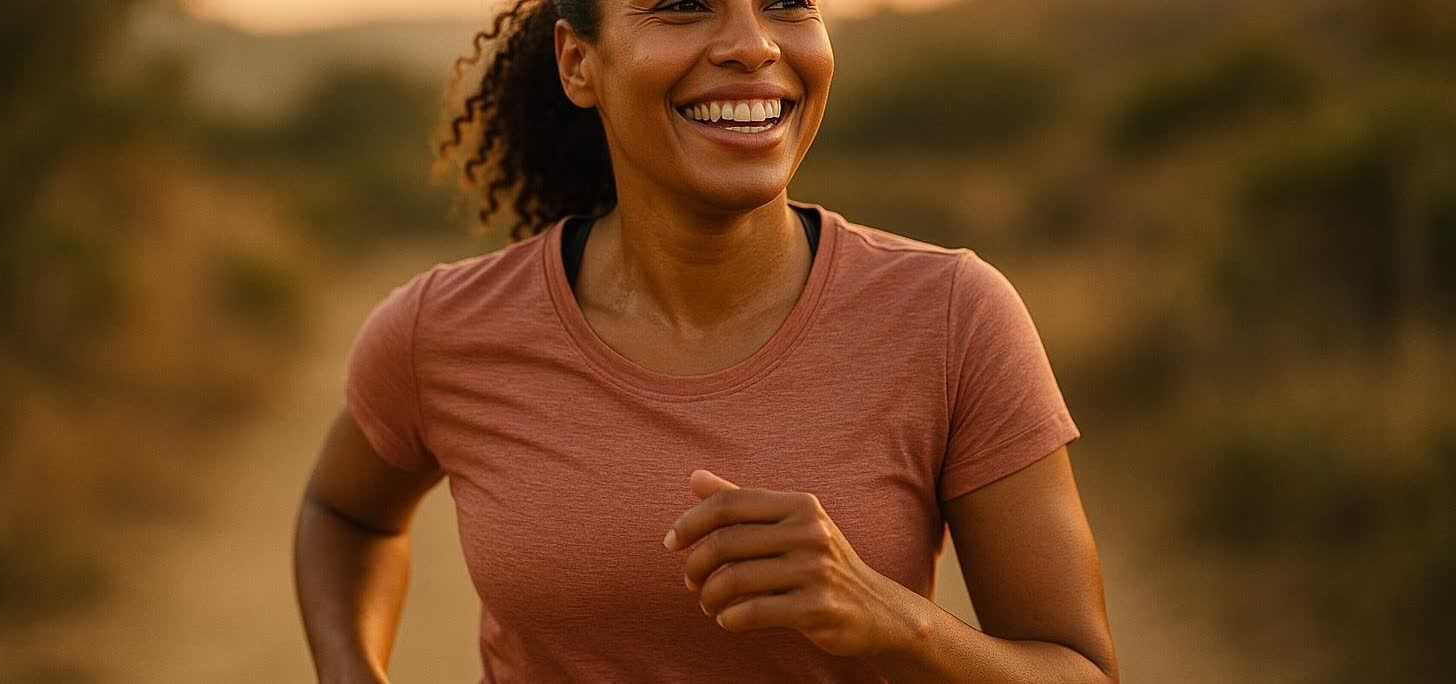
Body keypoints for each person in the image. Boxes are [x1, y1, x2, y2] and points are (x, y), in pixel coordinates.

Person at [293, 0, 1118, 681]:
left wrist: (892, 618)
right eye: (684, 7)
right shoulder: (442, 329)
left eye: (789, 3)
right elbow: (343, 513)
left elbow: (1079, 670)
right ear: (579, 64)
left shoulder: (951, 318)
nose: (754, 44)